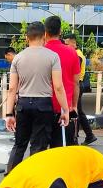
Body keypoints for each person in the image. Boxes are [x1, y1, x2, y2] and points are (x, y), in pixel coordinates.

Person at [5, 21, 69, 173]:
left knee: (19, 144)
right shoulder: (53, 57)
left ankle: (10, 179)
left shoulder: (18, 58)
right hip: (43, 105)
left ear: (27, 37)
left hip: (23, 104)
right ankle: (33, 180)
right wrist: (65, 110)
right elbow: (58, 87)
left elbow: (12, 88)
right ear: (44, 36)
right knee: (38, 147)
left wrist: (9, 114)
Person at [43, 16, 80, 147]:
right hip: (64, 108)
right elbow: (76, 83)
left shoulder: (41, 52)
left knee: (40, 150)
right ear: (60, 32)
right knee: (62, 150)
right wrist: (74, 105)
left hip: (42, 107)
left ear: (45, 32)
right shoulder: (72, 52)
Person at [64, 33, 97, 146]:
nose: (65, 46)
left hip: (77, 85)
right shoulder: (77, 53)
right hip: (78, 84)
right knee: (78, 111)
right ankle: (87, 135)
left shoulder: (76, 55)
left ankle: (84, 135)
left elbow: (73, 73)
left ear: (73, 43)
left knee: (76, 111)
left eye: (67, 44)